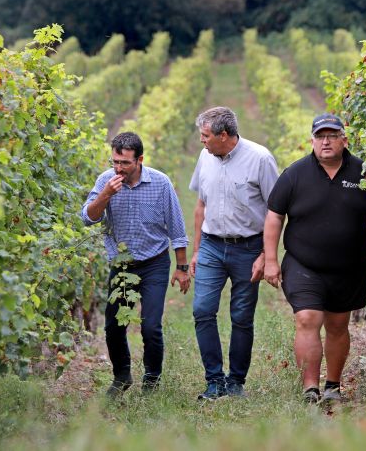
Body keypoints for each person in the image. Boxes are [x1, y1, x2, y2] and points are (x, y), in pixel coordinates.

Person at [262, 113, 366, 404]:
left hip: (349, 267)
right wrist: (270, 260)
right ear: (312, 141)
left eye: (332, 136)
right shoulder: (294, 174)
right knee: (307, 318)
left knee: (337, 325)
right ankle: (310, 389)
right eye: (320, 136)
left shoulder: (364, 172)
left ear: (344, 140)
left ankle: (332, 386)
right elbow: (274, 217)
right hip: (302, 263)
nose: (326, 141)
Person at [82, 132, 190, 396]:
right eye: (115, 162)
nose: (119, 168)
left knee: (151, 325)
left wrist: (182, 267)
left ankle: (152, 379)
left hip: (154, 262)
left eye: (125, 163)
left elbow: (176, 227)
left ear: (140, 160)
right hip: (121, 264)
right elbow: (88, 218)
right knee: (113, 325)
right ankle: (121, 376)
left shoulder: (161, 183)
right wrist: (105, 195)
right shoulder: (105, 181)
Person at [189, 106, 279, 400]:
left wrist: (266, 255)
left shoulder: (260, 159)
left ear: (223, 135)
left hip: (248, 247)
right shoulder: (206, 156)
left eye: (205, 136)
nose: (201, 141)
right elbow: (201, 205)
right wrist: (197, 250)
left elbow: (276, 211)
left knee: (241, 316)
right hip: (212, 247)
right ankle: (213, 380)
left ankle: (236, 381)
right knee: (202, 310)